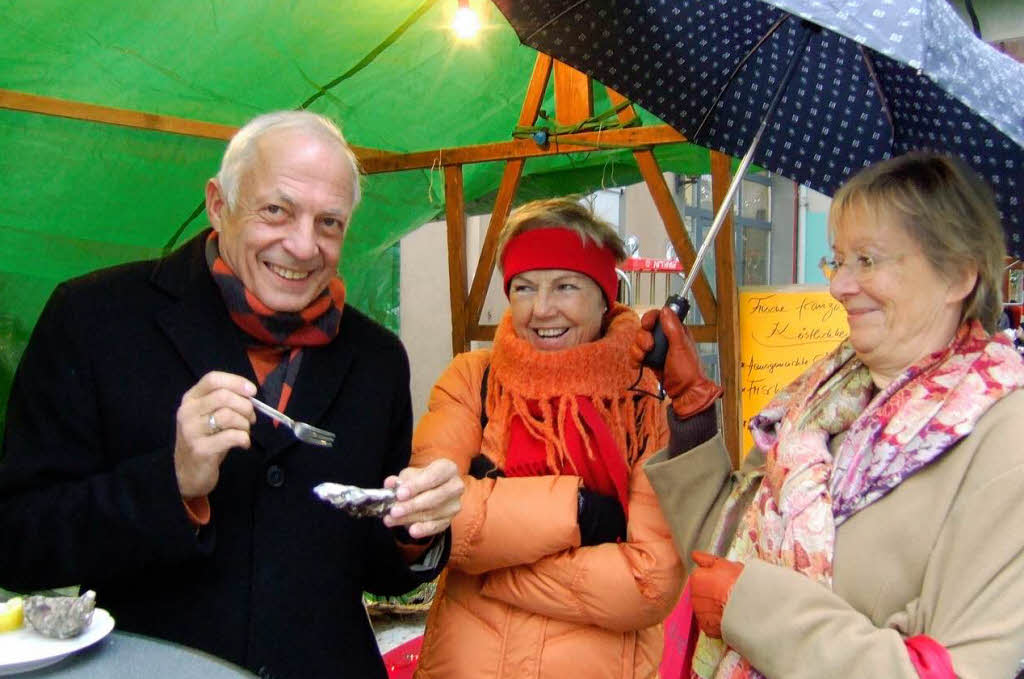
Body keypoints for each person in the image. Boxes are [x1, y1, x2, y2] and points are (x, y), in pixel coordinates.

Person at [0, 111, 463, 679]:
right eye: (277, 210)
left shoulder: (375, 359)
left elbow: (374, 571)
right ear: (219, 204)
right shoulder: (95, 320)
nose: (302, 245)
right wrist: (171, 483)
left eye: (329, 223)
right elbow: (17, 540)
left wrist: (413, 530)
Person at [634, 152, 1024, 678]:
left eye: (867, 261)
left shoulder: (1004, 438)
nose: (839, 286)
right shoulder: (824, 400)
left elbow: (960, 672)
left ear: (959, 275)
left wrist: (755, 609)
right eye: (838, 260)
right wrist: (690, 404)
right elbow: (720, 555)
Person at [409, 197, 685, 678]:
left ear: (604, 296)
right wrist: (576, 510)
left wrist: (493, 563)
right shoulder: (472, 382)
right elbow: (434, 521)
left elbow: (649, 584)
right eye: (523, 287)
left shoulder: (642, 406)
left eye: (565, 286)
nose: (541, 310)